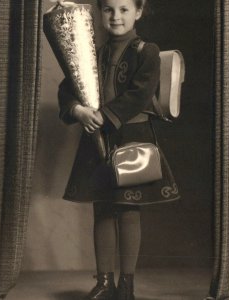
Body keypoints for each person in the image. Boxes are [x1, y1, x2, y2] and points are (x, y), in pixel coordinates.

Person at [58, 0, 180, 299]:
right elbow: (67, 88)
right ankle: (104, 282)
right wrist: (78, 111)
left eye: (124, 9)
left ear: (138, 11)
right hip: (97, 140)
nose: (116, 16)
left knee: (128, 210)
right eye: (109, 9)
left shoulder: (146, 51)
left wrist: (103, 115)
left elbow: (141, 93)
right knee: (102, 210)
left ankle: (127, 283)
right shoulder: (91, 54)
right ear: (100, 14)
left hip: (132, 140)